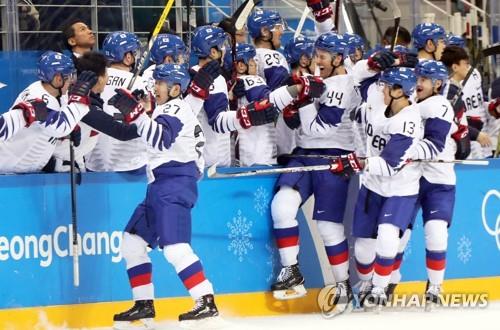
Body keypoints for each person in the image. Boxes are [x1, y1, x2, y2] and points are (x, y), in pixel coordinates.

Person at [109, 64, 219, 328]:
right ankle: (144, 304)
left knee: (174, 247)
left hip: (174, 184)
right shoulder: (171, 107)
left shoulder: (174, 108)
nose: (154, 87)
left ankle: (205, 299)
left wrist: (135, 114)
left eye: (159, 83)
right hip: (160, 186)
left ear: (175, 88)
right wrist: (138, 112)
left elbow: (160, 140)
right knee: (132, 242)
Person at [270, 32, 360, 317]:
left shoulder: (345, 85)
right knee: (282, 206)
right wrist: (294, 107)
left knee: (327, 228)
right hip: (303, 153)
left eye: (322, 56)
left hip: (334, 157)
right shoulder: (319, 78)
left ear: (337, 58)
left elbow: (318, 129)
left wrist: (304, 101)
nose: (316, 61)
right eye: (316, 54)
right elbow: (301, 128)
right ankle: (291, 272)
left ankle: (342, 285)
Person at [351, 67, 421, 309]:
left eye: (386, 85)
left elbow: (390, 165)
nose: (381, 89)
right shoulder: (378, 99)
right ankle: (366, 283)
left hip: (401, 189)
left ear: (399, 91)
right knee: (362, 249)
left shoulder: (409, 121)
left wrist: (358, 162)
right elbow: (359, 83)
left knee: (388, 236)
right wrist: (372, 63)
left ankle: (380, 289)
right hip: (372, 186)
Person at [0, 51, 97, 173]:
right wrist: (80, 102)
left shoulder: (55, 94)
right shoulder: (36, 97)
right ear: (57, 79)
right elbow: (60, 127)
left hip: (28, 169)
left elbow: (54, 124)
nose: (72, 81)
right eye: (69, 76)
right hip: (8, 171)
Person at [85, 31, 149, 173]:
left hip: (95, 163)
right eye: (134, 52)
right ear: (127, 57)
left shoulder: (93, 79)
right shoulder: (141, 82)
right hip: (132, 163)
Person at [247, 8, 294, 156]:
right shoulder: (274, 57)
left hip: (248, 136)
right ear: (265, 31)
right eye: (278, 27)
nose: (281, 32)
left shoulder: (245, 57)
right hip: (274, 134)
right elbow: (280, 99)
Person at [440, 46, 492, 158]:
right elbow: (448, 123)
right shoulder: (448, 92)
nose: (468, 67)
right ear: (455, 67)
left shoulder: (453, 89)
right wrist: (475, 134)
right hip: (449, 152)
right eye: (465, 64)